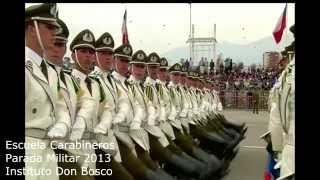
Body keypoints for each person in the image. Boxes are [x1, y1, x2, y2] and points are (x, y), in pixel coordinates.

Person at [25, 3, 71, 180]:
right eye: (49, 27)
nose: (55, 32)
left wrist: (63, 123)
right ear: (31, 28)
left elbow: (60, 106)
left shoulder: (51, 72)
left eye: (56, 28)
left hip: (48, 151)